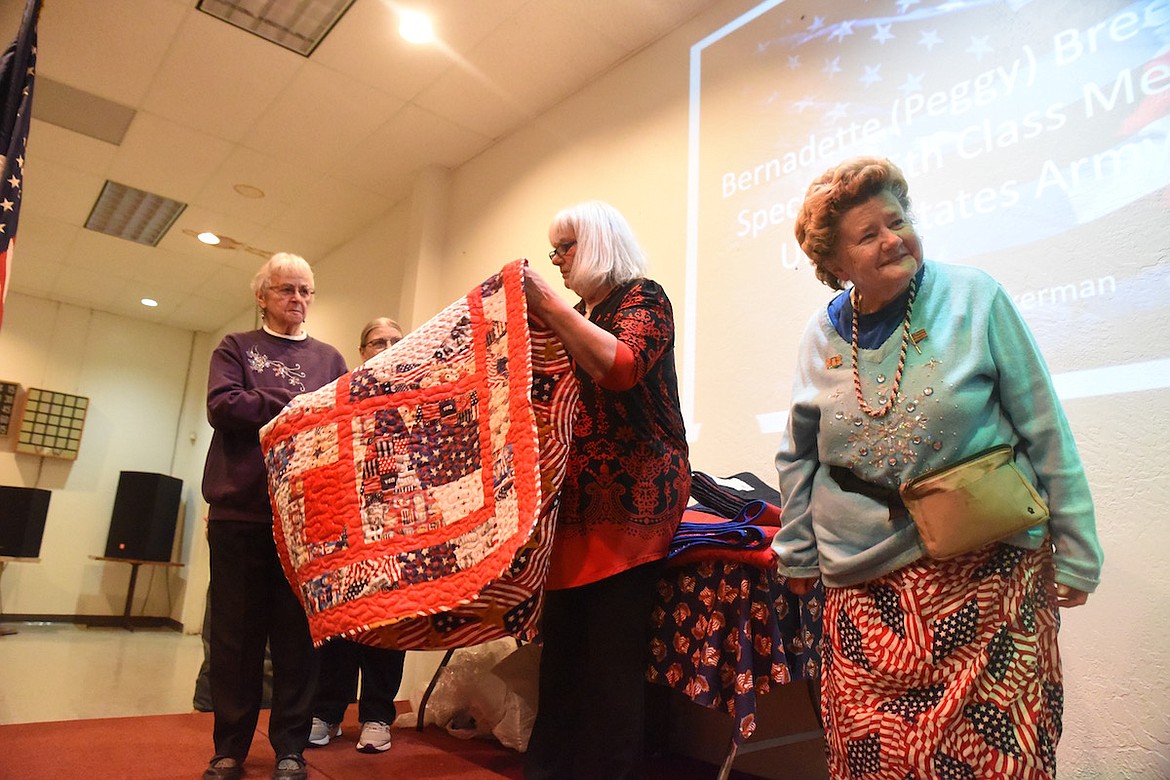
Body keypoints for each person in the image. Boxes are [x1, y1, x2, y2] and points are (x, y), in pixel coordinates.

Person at [770, 157, 1104, 779]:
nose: (894, 238)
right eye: (868, 234)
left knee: (1000, 761)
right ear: (836, 265)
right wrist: (797, 554)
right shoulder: (821, 336)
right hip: (866, 598)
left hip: (989, 576)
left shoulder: (975, 297)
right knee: (876, 764)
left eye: (898, 221)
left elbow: (1043, 425)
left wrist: (1078, 546)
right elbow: (800, 456)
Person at [521, 201, 690, 780]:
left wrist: (544, 306)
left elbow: (619, 367)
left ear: (596, 243)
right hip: (574, 509)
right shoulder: (575, 313)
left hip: (633, 504)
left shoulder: (644, 297)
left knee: (608, 669)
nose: (557, 261)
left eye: (564, 248)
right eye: (553, 252)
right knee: (563, 664)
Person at [201, 252, 348, 780]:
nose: (299, 300)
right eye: (288, 290)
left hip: (307, 521)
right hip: (240, 514)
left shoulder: (331, 359)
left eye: (306, 291)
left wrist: (274, 403)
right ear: (262, 296)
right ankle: (229, 750)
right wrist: (292, 402)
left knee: (297, 639)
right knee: (234, 639)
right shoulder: (235, 347)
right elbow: (224, 406)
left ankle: (290, 748)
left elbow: (341, 423)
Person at [308, 317, 408, 754]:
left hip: (400, 524)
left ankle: (377, 717)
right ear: (362, 350)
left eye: (394, 340)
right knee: (341, 624)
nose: (385, 346)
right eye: (377, 341)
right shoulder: (341, 392)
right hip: (346, 523)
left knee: (388, 621)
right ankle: (328, 714)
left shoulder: (418, 389)